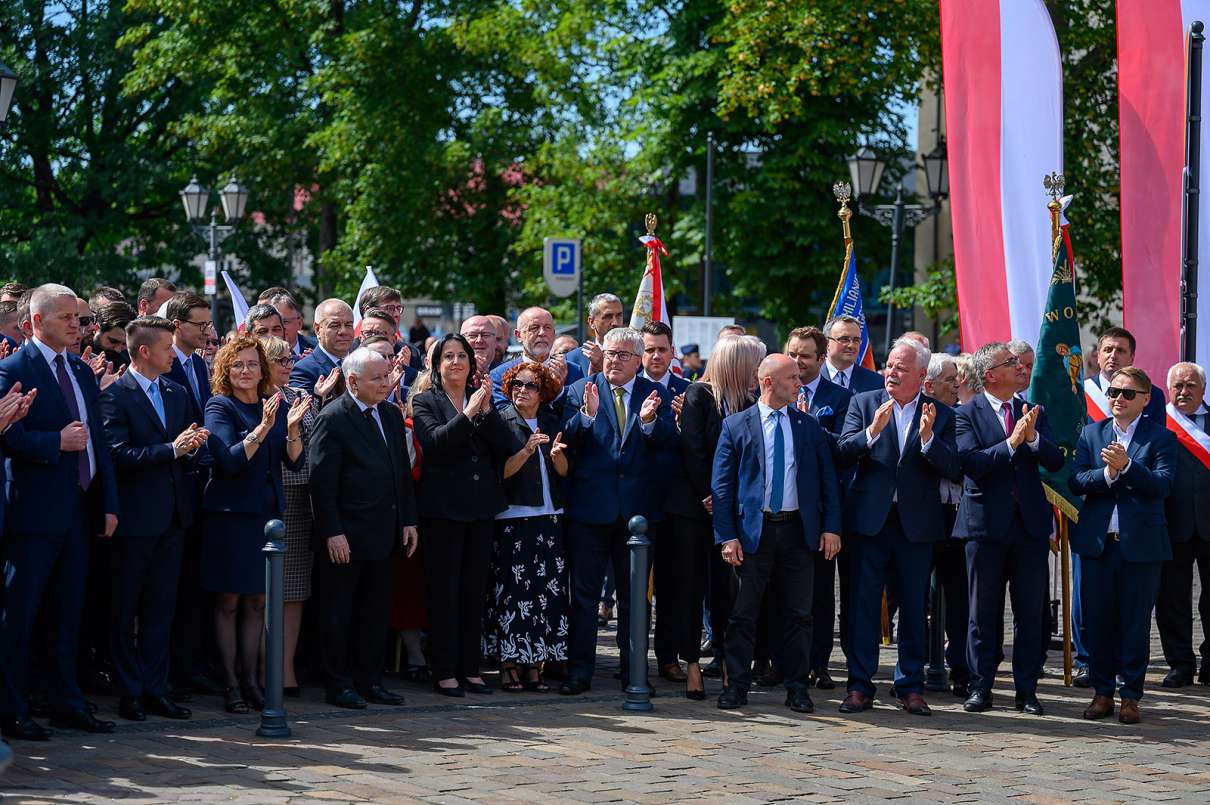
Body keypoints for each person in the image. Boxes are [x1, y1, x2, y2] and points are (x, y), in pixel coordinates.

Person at [0, 284, 120, 740]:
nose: (77, 325)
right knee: (21, 614)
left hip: (79, 510)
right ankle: (13, 708)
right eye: (66, 317)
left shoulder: (81, 370)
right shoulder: (13, 368)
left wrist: (108, 503)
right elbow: (8, 438)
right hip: (33, 513)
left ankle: (66, 702)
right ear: (35, 322)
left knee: (69, 613)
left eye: (79, 317)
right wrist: (56, 442)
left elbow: (97, 442)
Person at [836, 339, 961, 716]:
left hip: (916, 526)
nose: (891, 373)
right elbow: (843, 452)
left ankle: (910, 686)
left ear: (921, 376)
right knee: (863, 606)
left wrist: (928, 440)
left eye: (901, 368)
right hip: (869, 523)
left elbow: (955, 468)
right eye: (889, 365)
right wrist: (871, 432)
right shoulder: (864, 403)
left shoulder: (941, 414)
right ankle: (860, 685)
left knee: (913, 607)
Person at [712, 354, 842, 713]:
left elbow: (827, 481)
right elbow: (722, 487)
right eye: (792, 378)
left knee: (799, 614)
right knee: (743, 614)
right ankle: (737, 686)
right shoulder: (736, 426)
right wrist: (727, 536)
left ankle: (797, 687)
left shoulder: (808, 426)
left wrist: (831, 527)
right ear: (768, 382)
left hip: (797, 533)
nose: (799, 384)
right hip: (753, 535)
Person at [99, 317, 208, 722]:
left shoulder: (176, 392)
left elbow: (186, 445)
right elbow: (116, 454)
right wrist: (170, 450)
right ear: (144, 351)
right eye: (166, 348)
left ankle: (155, 689)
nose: (172, 355)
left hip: (174, 517)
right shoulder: (116, 395)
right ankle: (129, 691)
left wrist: (193, 446)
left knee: (162, 609)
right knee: (125, 608)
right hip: (134, 520)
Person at [558, 327, 676, 695]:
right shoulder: (580, 390)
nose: (614, 360)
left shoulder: (656, 394)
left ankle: (633, 673)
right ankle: (580, 672)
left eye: (623, 355)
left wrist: (649, 423)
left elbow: (671, 447)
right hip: (590, 511)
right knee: (584, 597)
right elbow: (564, 441)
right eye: (610, 353)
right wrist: (586, 417)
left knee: (634, 600)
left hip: (637, 516)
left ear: (639, 361)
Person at [954, 342, 1064, 716]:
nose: (1020, 367)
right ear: (990, 375)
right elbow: (971, 463)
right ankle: (980, 686)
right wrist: (1012, 442)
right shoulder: (966, 414)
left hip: (1029, 528)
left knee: (1031, 613)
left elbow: (1055, 460)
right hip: (985, 528)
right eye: (1011, 362)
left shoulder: (1032, 411)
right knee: (982, 614)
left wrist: (1032, 439)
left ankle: (1027, 690)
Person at [202, 336, 307, 714]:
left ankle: (251, 681)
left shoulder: (273, 404)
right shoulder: (220, 406)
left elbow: (293, 461)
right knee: (229, 601)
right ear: (225, 371)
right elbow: (230, 461)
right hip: (231, 516)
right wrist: (263, 428)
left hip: (267, 517)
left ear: (262, 369)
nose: (245, 371)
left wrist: (291, 429)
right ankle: (231, 683)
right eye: (237, 365)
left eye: (251, 364)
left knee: (258, 601)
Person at [309, 347, 418, 708]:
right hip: (346, 535)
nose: (386, 383)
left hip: (383, 532)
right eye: (377, 378)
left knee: (375, 611)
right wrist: (332, 531)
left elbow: (401, 472)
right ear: (353, 382)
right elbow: (322, 481)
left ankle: (370, 680)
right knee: (339, 612)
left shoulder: (389, 414)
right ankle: (339, 684)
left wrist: (408, 520)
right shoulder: (333, 417)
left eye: (386, 376)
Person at [1069, 366, 1175, 724]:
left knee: (1134, 623)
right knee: (1097, 621)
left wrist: (1128, 466)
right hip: (1099, 544)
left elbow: (1162, 485)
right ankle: (1102, 692)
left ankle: (1131, 695)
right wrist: (1108, 474)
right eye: (1114, 392)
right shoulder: (1092, 433)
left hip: (1140, 546)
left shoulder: (1160, 438)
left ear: (1145, 399)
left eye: (1127, 393)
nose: (1118, 399)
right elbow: (1076, 480)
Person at [412, 333, 511, 697]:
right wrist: (468, 414)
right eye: (448, 357)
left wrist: (486, 412)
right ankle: (444, 670)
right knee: (445, 592)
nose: (455, 362)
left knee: (474, 591)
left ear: (471, 364)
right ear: (437, 365)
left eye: (462, 356)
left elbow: (507, 445)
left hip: (481, 509)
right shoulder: (425, 400)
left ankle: (470, 668)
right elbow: (436, 443)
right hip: (443, 511)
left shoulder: (481, 398)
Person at [676, 335, 766, 690]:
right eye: (754, 364)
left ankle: (728, 660)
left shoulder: (750, 401)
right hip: (695, 510)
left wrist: (728, 501)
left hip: (732, 514)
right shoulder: (698, 395)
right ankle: (692, 663)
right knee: (691, 586)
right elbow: (693, 450)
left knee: (727, 592)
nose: (758, 371)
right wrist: (709, 495)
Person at [484, 362, 571, 692]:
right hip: (514, 517)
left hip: (550, 515)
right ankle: (509, 664)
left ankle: (534, 664)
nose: (522, 390)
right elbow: (500, 473)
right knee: (513, 593)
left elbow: (563, 471)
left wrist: (558, 457)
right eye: (517, 385)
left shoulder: (551, 420)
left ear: (542, 391)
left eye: (530, 385)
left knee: (545, 594)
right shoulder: (502, 421)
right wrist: (527, 450)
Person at [785, 325, 852, 687]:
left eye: (805, 356)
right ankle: (782, 660)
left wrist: (808, 424)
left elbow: (843, 449)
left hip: (819, 511)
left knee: (820, 593)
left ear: (821, 359)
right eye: (792, 354)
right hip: (780, 510)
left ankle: (819, 662)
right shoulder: (775, 390)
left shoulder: (839, 398)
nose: (797, 362)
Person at [162, 292, 219, 696]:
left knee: (195, 585)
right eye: (200, 325)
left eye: (208, 324)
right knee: (170, 588)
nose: (207, 331)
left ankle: (190, 664)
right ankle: (168, 670)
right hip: (171, 487)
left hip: (200, 489)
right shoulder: (164, 366)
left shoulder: (199, 364)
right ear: (177, 325)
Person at [259, 336, 318, 696]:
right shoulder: (254, 398)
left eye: (290, 359)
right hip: (267, 499)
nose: (288, 365)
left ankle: (285, 668)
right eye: (279, 360)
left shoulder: (299, 395)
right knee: (264, 591)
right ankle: (261, 668)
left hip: (300, 500)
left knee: (294, 591)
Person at [639, 320, 695, 684]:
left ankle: (668, 656)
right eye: (649, 349)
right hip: (638, 504)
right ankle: (633, 659)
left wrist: (682, 422)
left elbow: (697, 447)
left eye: (662, 349)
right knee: (636, 588)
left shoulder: (688, 392)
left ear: (672, 352)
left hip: (676, 504)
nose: (656, 356)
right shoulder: (630, 388)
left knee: (673, 586)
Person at [1157, 362, 1210, 687]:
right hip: (1170, 523)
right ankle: (1180, 664)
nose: (1184, 391)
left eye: (1190, 385)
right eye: (1177, 386)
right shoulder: (1158, 423)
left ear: (1203, 389)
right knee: (1172, 599)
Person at [922, 352, 971, 697]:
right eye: (950, 380)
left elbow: (956, 467)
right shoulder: (912, 416)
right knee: (916, 598)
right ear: (929, 385)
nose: (957, 385)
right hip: (921, 518)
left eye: (957, 379)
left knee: (958, 600)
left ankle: (961, 669)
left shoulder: (960, 418)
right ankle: (919, 665)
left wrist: (930, 443)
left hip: (954, 518)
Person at [490, 307, 582, 408]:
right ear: (518, 335)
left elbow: (578, 411)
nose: (542, 333)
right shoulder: (499, 375)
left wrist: (560, 391)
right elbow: (504, 413)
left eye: (547, 327)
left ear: (554, 334)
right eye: (534, 328)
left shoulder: (573, 371)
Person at [290, 299, 354, 398]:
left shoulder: (363, 362)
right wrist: (319, 396)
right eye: (335, 325)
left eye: (348, 325)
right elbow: (303, 407)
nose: (343, 331)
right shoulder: (303, 370)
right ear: (317, 329)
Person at [822, 315, 882, 393]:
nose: (851, 345)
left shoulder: (877, 383)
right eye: (844, 339)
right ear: (827, 343)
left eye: (856, 340)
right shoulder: (810, 377)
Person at [568, 293, 625, 375]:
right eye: (608, 316)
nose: (615, 323)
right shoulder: (573, 359)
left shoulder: (636, 355)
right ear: (591, 322)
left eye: (619, 315)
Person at [91, 301, 134, 368]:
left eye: (125, 344)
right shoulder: (78, 354)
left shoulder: (129, 361)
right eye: (113, 341)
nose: (118, 350)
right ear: (97, 328)